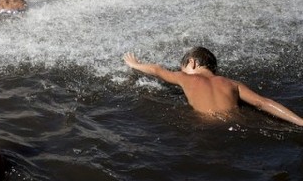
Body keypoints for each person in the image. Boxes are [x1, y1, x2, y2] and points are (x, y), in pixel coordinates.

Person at [123, 47, 303, 126]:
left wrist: (135, 64)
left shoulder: (184, 77)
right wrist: (300, 121)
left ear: (192, 63)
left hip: (205, 126)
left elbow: (156, 69)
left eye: (183, 66)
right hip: (235, 122)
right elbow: (263, 103)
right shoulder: (232, 83)